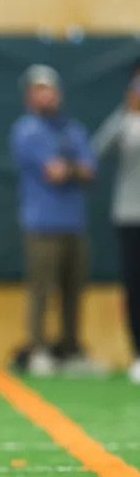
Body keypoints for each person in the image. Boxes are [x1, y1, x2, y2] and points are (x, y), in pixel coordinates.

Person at [9, 64, 98, 376]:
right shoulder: (27, 130)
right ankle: (37, 350)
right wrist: (73, 170)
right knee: (41, 290)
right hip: (41, 223)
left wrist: (70, 170)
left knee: (73, 289)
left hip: (73, 222)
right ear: (29, 96)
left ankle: (70, 350)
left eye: (48, 88)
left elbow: (89, 170)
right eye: (37, 89)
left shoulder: (72, 129)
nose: (44, 95)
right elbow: (55, 172)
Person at [91, 60, 140, 384]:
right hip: (130, 217)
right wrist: (126, 114)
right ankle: (138, 354)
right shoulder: (124, 121)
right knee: (135, 289)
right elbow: (93, 152)